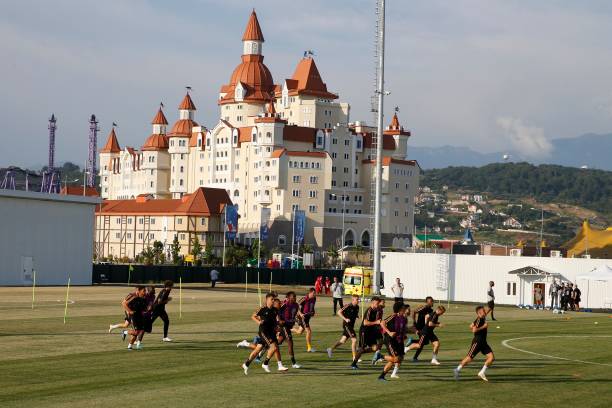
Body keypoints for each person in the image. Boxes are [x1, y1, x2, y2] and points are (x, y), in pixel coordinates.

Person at [241, 293, 289, 374]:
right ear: (267, 300)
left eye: (274, 299)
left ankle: (246, 364)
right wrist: (259, 322)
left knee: (258, 349)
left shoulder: (275, 310)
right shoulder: (262, 309)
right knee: (273, 347)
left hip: (271, 332)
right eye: (272, 299)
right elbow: (253, 316)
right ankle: (265, 363)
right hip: (264, 332)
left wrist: (277, 327)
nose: (273, 301)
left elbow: (275, 321)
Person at [454, 305, 495, 382]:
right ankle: (457, 369)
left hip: (483, 342)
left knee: (491, 358)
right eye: (483, 311)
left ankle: (482, 372)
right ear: (479, 313)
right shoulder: (479, 320)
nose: (485, 312)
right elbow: (474, 330)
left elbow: (471, 325)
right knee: (469, 358)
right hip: (477, 342)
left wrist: (490, 308)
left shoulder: (481, 317)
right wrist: (484, 327)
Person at [378, 302, 408, 381]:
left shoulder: (404, 318)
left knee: (399, 358)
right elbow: (382, 323)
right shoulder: (393, 316)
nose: (405, 309)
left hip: (399, 340)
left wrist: (406, 334)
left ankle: (382, 376)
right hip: (390, 340)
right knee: (395, 359)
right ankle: (380, 356)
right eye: (404, 307)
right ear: (400, 308)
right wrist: (389, 332)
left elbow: (403, 329)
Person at [351, 297, 382, 369]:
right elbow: (365, 323)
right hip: (364, 331)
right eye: (377, 304)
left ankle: (360, 352)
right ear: (372, 303)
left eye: (378, 303)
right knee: (362, 348)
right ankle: (354, 363)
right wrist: (376, 322)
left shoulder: (378, 310)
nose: (378, 305)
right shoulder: (369, 310)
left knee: (375, 348)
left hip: (371, 331)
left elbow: (378, 322)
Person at [327, 294, 360, 360]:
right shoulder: (347, 306)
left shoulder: (357, 307)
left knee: (342, 341)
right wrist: (345, 319)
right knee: (354, 340)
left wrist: (357, 316)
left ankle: (330, 349)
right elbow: (339, 312)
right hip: (347, 326)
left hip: (351, 326)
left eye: (358, 299)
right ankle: (354, 357)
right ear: (353, 300)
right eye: (357, 299)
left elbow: (354, 314)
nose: (358, 300)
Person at [277, 291, 301, 368]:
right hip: (284, 326)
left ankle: (261, 350)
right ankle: (294, 363)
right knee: (290, 342)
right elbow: (276, 312)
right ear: (289, 298)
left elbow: (294, 315)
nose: (295, 298)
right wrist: (279, 320)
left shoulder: (296, 305)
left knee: (278, 342)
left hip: (289, 326)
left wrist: (298, 319)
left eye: (295, 297)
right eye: (293, 297)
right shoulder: (284, 305)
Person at [407, 296, 434, 361]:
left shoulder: (431, 310)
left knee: (425, 342)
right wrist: (414, 321)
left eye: (432, 301)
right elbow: (414, 312)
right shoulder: (423, 307)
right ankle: (415, 357)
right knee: (421, 344)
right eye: (431, 301)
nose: (432, 302)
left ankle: (412, 341)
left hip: (425, 328)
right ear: (427, 302)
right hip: (420, 327)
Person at [122, 286, 148, 350]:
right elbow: (124, 303)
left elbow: (143, 306)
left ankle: (129, 346)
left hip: (139, 315)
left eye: (145, 291)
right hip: (133, 315)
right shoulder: (132, 296)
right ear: (139, 290)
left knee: (140, 330)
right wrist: (130, 311)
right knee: (136, 332)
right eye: (144, 290)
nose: (145, 292)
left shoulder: (143, 297)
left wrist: (146, 309)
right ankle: (124, 332)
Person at [295, 288, 317, 352]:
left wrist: (313, 312)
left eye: (315, 293)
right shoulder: (305, 298)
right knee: (308, 331)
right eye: (313, 293)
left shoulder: (314, 299)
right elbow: (296, 306)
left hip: (308, 317)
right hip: (303, 318)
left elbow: (312, 307)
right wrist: (300, 313)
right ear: (310, 293)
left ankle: (289, 328)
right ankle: (309, 347)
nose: (314, 294)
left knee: (299, 332)